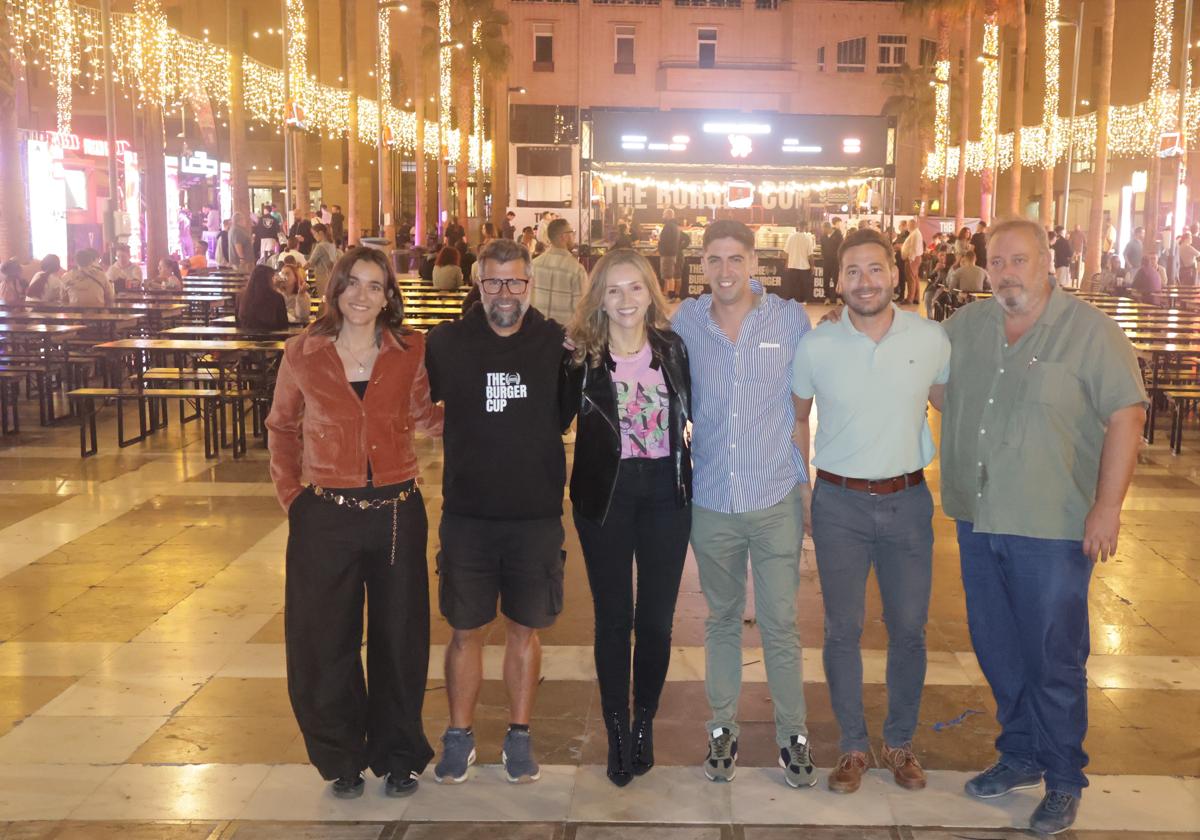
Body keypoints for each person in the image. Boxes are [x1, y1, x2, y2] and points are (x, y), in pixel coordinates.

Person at [938, 218, 1146, 835]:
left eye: (1019, 260)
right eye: (997, 261)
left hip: (1053, 527)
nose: (1006, 272)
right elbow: (920, 373)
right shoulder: (967, 328)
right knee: (998, 647)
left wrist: (1107, 507)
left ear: (1046, 263)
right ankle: (1020, 753)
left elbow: (1127, 418)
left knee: (1054, 656)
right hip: (980, 517)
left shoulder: (1090, 333)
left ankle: (1062, 778)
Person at [266, 245, 442, 801]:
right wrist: (294, 496)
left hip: (395, 513)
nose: (362, 296)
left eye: (374, 285)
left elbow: (427, 418)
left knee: (400, 638)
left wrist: (496, 388)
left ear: (389, 295)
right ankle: (340, 755)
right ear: (335, 289)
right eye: (353, 283)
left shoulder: (410, 350)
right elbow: (282, 426)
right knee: (323, 640)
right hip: (325, 516)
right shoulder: (303, 353)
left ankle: (397, 753)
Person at [791, 227, 949, 794]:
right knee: (842, 629)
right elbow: (797, 417)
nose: (864, 281)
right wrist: (803, 489)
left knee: (909, 629)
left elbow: (951, 400)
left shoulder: (931, 339)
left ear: (895, 274)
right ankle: (854, 747)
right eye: (853, 271)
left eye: (875, 269)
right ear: (838, 281)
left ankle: (900, 742)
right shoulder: (817, 345)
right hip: (839, 504)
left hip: (907, 501)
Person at [670, 219, 816, 789]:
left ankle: (792, 734)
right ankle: (722, 727)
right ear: (702, 264)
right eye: (714, 260)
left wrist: (805, 485)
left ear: (754, 262)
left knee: (780, 623)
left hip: (775, 493)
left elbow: (803, 406)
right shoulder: (686, 322)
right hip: (711, 498)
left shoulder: (787, 319)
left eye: (735, 259)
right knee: (722, 619)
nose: (725, 271)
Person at [424, 237, 574, 786]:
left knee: (524, 629)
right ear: (478, 285)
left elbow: (565, 415)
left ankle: (518, 735)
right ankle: (459, 736)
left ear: (530, 285)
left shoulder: (557, 343)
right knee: (466, 629)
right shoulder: (446, 344)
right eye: (493, 282)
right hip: (468, 514)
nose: (504, 293)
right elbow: (415, 401)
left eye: (515, 282)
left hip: (534, 514)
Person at [564, 249, 692, 787]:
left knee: (657, 621)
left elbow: (696, 413)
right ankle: (617, 728)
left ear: (650, 293)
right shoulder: (580, 357)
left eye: (634, 288)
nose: (624, 300)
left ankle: (645, 723)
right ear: (599, 298)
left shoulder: (672, 348)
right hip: (606, 497)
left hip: (666, 493)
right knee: (614, 617)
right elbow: (547, 421)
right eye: (613, 290)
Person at [531, 218, 588, 324]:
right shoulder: (576, 270)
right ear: (564, 237)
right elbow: (581, 310)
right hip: (563, 335)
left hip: (536, 331)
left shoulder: (534, 264)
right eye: (572, 233)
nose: (574, 236)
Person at [237, 264, 289, 331]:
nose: (275, 281)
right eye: (273, 278)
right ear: (268, 280)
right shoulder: (277, 298)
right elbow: (284, 325)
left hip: (245, 339)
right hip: (272, 339)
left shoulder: (241, 296)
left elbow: (238, 323)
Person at [783, 219, 815, 302]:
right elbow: (810, 255)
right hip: (804, 266)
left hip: (792, 265)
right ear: (806, 227)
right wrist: (812, 266)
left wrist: (786, 263)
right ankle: (803, 301)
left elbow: (786, 252)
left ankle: (791, 301)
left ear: (798, 226)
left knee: (792, 285)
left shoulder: (791, 237)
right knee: (803, 286)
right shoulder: (808, 238)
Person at [308, 223, 340, 299]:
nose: (314, 237)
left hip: (321, 276)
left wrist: (299, 268)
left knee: (321, 300)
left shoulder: (320, 246)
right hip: (331, 276)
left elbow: (310, 263)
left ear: (321, 233)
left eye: (314, 234)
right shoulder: (332, 244)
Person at [277, 257, 312, 323]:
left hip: (297, 330)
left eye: (287, 274)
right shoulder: (278, 294)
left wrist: (301, 296)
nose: (284, 277)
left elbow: (303, 316)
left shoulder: (304, 295)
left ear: (295, 278)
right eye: (282, 274)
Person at [658, 208, 682, 298]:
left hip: (667, 254)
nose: (662, 216)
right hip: (672, 253)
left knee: (669, 276)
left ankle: (670, 296)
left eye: (664, 214)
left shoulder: (668, 226)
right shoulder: (675, 226)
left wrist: (660, 243)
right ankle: (668, 294)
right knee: (669, 276)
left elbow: (665, 240)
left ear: (668, 215)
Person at [899, 218, 924, 305]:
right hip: (914, 258)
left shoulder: (915, 234)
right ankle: (915, 297)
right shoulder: (915, 233)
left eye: (909, 224)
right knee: (914, 278)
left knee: (911, 279)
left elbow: (914, 248)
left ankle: (910, 298)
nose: (908, 226)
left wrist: (910, 259)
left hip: (912, 258)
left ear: (912, 225)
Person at [824, 217, 844, 301]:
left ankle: (838, 297)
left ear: (828, 228)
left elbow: (842, 246)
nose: (823, 231)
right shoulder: (823, 237)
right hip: (826, 261)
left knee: (836, 279)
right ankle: (827, 297)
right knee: (826, 279)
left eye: (824, 229)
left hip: (836, 261)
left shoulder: (838, 234)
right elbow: (822, 248)